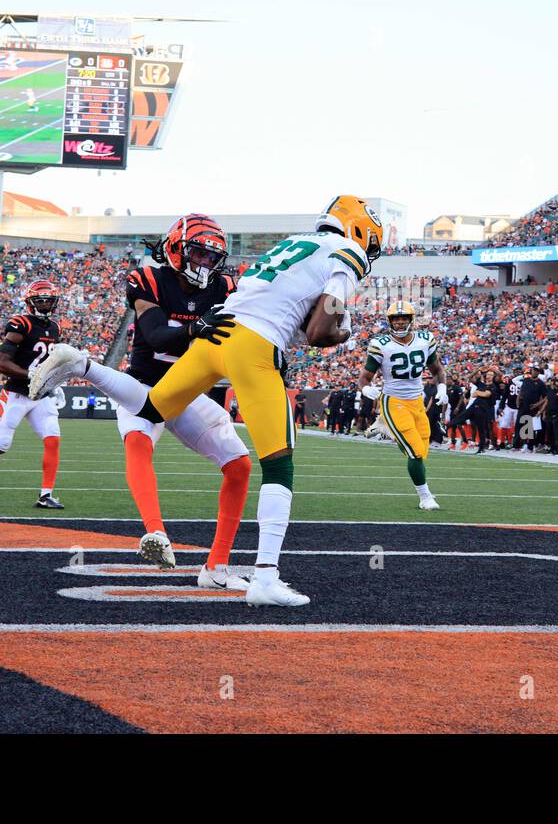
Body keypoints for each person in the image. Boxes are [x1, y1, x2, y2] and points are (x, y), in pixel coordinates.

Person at [32, 194, 384, 607]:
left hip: (216, 335)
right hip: (254, 344)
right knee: (279, 461)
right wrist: (344, 333)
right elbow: (321, 332)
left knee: (151, 407)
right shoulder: (350, 252)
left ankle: (82, 366)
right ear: (362, 232)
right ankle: (266, 577)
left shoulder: (291, 243)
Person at [107, 215, 253, 588]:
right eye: (198, 253)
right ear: (176, 248)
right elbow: (156, 335)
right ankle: (155, 533)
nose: (205, 262)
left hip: (188, 392)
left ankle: (216, 568)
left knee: (238, 465)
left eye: (211, 257)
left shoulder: (226, 288)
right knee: (138, 443)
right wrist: (193, 327)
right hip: (143, 387)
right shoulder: (149, 279)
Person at [0, 279, 65, 509]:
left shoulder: (56, 327)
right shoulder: (20, 324)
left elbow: (50, 361)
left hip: (41, 397)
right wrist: (32, 376)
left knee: (53, 439)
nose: (46, 304)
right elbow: (1, 363)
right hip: (17, 394)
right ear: (30, 302)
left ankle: (45, 495)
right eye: (41, 300)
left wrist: (54, 382)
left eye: (50, 300)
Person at [361, 300, 447, 510]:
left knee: (423, 446)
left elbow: (437, 370)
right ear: (390, 321)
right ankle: (425, 497)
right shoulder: (380, 344)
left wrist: (442, 387)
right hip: (393, 401)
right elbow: (364, 377)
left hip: (417, 401)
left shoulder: (425, 339)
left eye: (403, 319)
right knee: (415, 452)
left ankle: (386, 428)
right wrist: (365, 389)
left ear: (411, 320)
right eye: (395, 319)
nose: (399, 323)